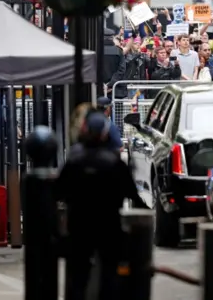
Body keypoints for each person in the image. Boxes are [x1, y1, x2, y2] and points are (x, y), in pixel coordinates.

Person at [56, 110, 147, 300]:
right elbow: (131, 193)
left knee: (78, 274)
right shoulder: (114, 161)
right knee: (109, 273)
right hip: (108, 225)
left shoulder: (74, 159)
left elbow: (59, 191)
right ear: (105, 133)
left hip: (79, 224)